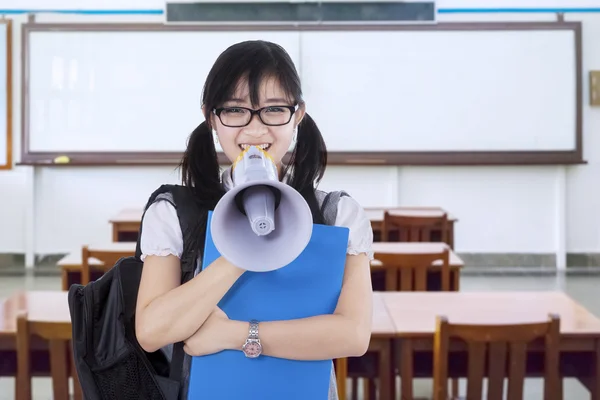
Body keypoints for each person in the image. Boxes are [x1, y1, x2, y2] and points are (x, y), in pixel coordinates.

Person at [134, 40, 374, 398]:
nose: (256, 129)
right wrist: (242, 250)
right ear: (211, 118)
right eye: (235, 110)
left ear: (298, 115)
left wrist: (233, 335)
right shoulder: (173, 212)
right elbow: (152, 331)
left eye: (274, 109)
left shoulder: (338, 215)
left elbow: (353, 335)